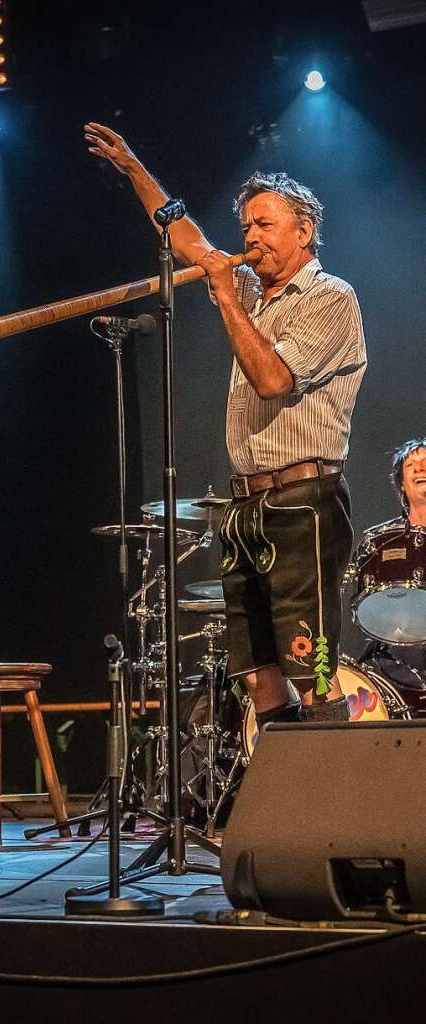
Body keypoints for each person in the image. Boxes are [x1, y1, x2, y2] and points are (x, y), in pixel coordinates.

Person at [85, 122, 366, 727]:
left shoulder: (331, 297)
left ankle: (331, 810)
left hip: (304, 501)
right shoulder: (249, 292)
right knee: (257, 669)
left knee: (309, 665)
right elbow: (190, 241)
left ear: (305, 231)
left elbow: (273, 380)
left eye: (265, 225)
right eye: (246, 226)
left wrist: (227, 296)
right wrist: (135, 168)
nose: (250, 237)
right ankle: (283, 806)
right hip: (247, 505)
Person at [355, 438, 426, 693]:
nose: (420, 468)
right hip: (396, 650)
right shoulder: (380, 540)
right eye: (412, 465)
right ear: (402, 484)